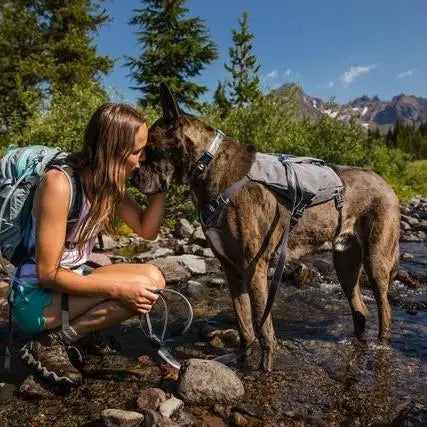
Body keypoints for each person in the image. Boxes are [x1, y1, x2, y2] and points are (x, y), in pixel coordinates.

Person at [8, 103, 166, 386]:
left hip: (71, 283)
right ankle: (52, 342)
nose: (142, 159)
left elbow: (147, 229)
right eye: (138, 151)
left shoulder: (107, 184)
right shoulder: (59, 184)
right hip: (36, 299)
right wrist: (119, 289)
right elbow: (48, 274)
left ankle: (76, 330)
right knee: (137, 291)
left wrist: (162, 182)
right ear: (114, 151)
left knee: (153, 278)